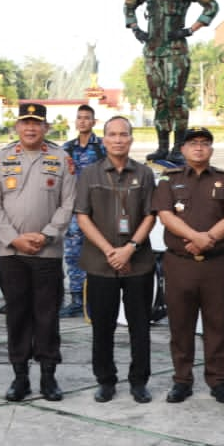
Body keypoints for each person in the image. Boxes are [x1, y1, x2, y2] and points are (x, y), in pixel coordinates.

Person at [0, 102, 76, 403]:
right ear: (17, 126)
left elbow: (68, 203)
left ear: (46, 127)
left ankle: (49, 376)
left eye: (36, 123)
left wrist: (46, 235)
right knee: (17, 315)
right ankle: (20, 377)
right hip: (11, 254)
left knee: (47, 316)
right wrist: (14, 239)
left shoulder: (61, 158)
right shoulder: (1, 158)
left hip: (47, 253)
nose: (31, 128)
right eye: (25, 122)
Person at [153, 126, 224, 404]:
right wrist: (195, 238)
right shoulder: (169, 180)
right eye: (193, 144)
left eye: (205, 143)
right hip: (180, 263)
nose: (199, 148)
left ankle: (218, 380)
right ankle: (182, 380)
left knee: (217, 325)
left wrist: (209, 239)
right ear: (183, 150)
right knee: (181, 325)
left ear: (211, 149)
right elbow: (165, 216)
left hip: (217, 265)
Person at [74, 116, 158, 404]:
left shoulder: (145, 174)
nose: (118, 139)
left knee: (139, 325)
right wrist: (110, 250)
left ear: (131, 139)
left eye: (124, 134)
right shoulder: (90, 174)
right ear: (105, 139)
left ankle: (139, 381)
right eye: (112, 134)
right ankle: (105, 380)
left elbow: (151, 215)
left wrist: (130, 248)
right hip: (101, 262)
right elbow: (82, 216)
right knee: (102, 325)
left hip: (138, 263)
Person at [123, 0, 219, 162]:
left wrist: (190, 30)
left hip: (175, 50)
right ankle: (162, 147)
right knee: (158, 100)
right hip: (152, 52)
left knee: (175, 99)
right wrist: (135, 28)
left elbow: (212, 5)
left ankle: (178, 147)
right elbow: (128, 5)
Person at [59, 104, 106, 318]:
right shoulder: (67, 149)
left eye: (87, 118)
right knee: (73, 253)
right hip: (74, 209)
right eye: (79, 118)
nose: (83, 121)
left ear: (94, 122)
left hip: (98, 210)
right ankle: (77, 299)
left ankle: (97, 299)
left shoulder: (102, 147)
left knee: (100, 252)